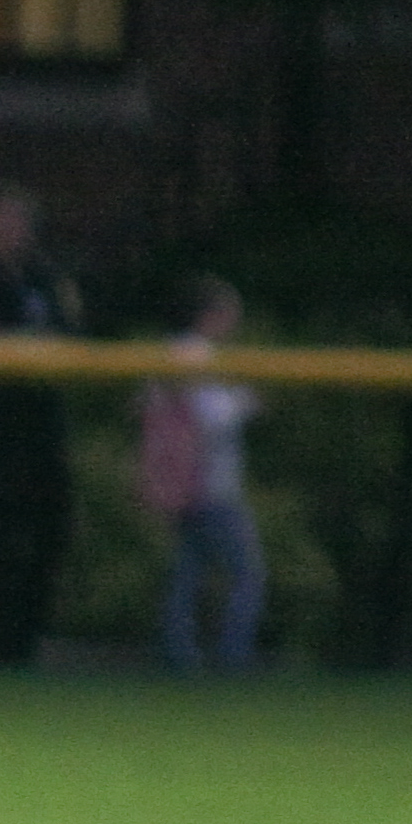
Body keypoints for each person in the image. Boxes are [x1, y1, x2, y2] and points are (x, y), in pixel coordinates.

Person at [0, 184, 82, 667]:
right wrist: (22, 343)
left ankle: (29, 639)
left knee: (47, 531)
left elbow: (70, 335)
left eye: (19, 223)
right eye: (2, 222)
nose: (11, 232)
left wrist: (25, 342)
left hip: (40, 424)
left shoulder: (48, 279)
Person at [141, 275, 264, 675]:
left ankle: (179, 655)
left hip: (184, 483)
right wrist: (248, 401)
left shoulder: (172, 350)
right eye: (230, 315)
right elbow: (209, 418)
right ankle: (231, 659)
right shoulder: (194, 354)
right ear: (210, 315)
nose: (234, 324)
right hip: (208, 482)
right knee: (247, 573)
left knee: (188, 571)